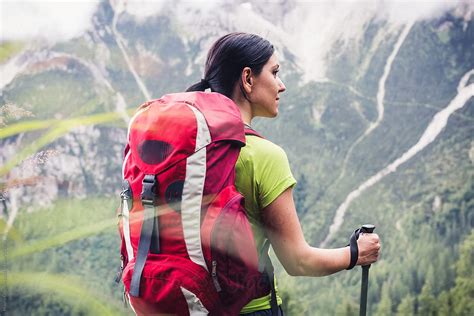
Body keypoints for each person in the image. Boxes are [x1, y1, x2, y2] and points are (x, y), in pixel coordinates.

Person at [186, 32, 381, 315]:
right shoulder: (263, 156)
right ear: (248, 79)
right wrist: (356, 253)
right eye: (275, 72)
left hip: (187, 306)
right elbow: (298, 261)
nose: (282, 85)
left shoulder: (189, 149)